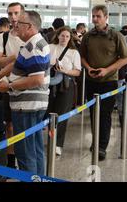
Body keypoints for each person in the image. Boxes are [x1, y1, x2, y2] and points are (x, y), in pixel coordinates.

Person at [0, 10, 50, 175]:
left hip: (27, 106)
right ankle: (38, 178)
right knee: (34, 148)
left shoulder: (35, 46)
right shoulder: (30, 44)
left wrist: (10, 86)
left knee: (25, 151)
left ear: (29, 26)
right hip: (29, 104)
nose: (15, 26)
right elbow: (16, 65)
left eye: (19, 24)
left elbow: (37, 80)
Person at [80, 5, 127, 161]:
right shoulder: (88, 36)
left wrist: (107, 70)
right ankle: (96, 142)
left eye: (98, 16)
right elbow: (81, 56)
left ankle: (101, 147)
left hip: (109, 81)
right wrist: (88, 68)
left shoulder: (116, 36)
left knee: (105, 114)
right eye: (93, 16)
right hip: (91, 81)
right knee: (94, 113)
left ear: (106, 17)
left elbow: (125, 58)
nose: (95, 19)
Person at [0, 2, 25, 169]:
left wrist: (8, 58)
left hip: (25, 87)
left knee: (25, 126)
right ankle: (11, 162)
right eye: (10, 13)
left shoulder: (29, 36)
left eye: (16, 13)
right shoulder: (3, 37)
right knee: (9, 125)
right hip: (6, 85)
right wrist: (17, 55)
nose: (13, 17)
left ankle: (25, 162)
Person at [45, 26, 81, 156]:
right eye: (62, 35)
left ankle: (58, 144)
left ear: (70, 38)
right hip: (50, 83)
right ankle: (50, 139)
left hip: (65, 85)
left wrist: (64, 70)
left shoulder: (73, 52)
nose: (64, 38)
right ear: (57, 35)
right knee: (49, 112)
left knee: (61, 115)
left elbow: (77, 71)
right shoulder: (50, 47)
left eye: (67, 36)